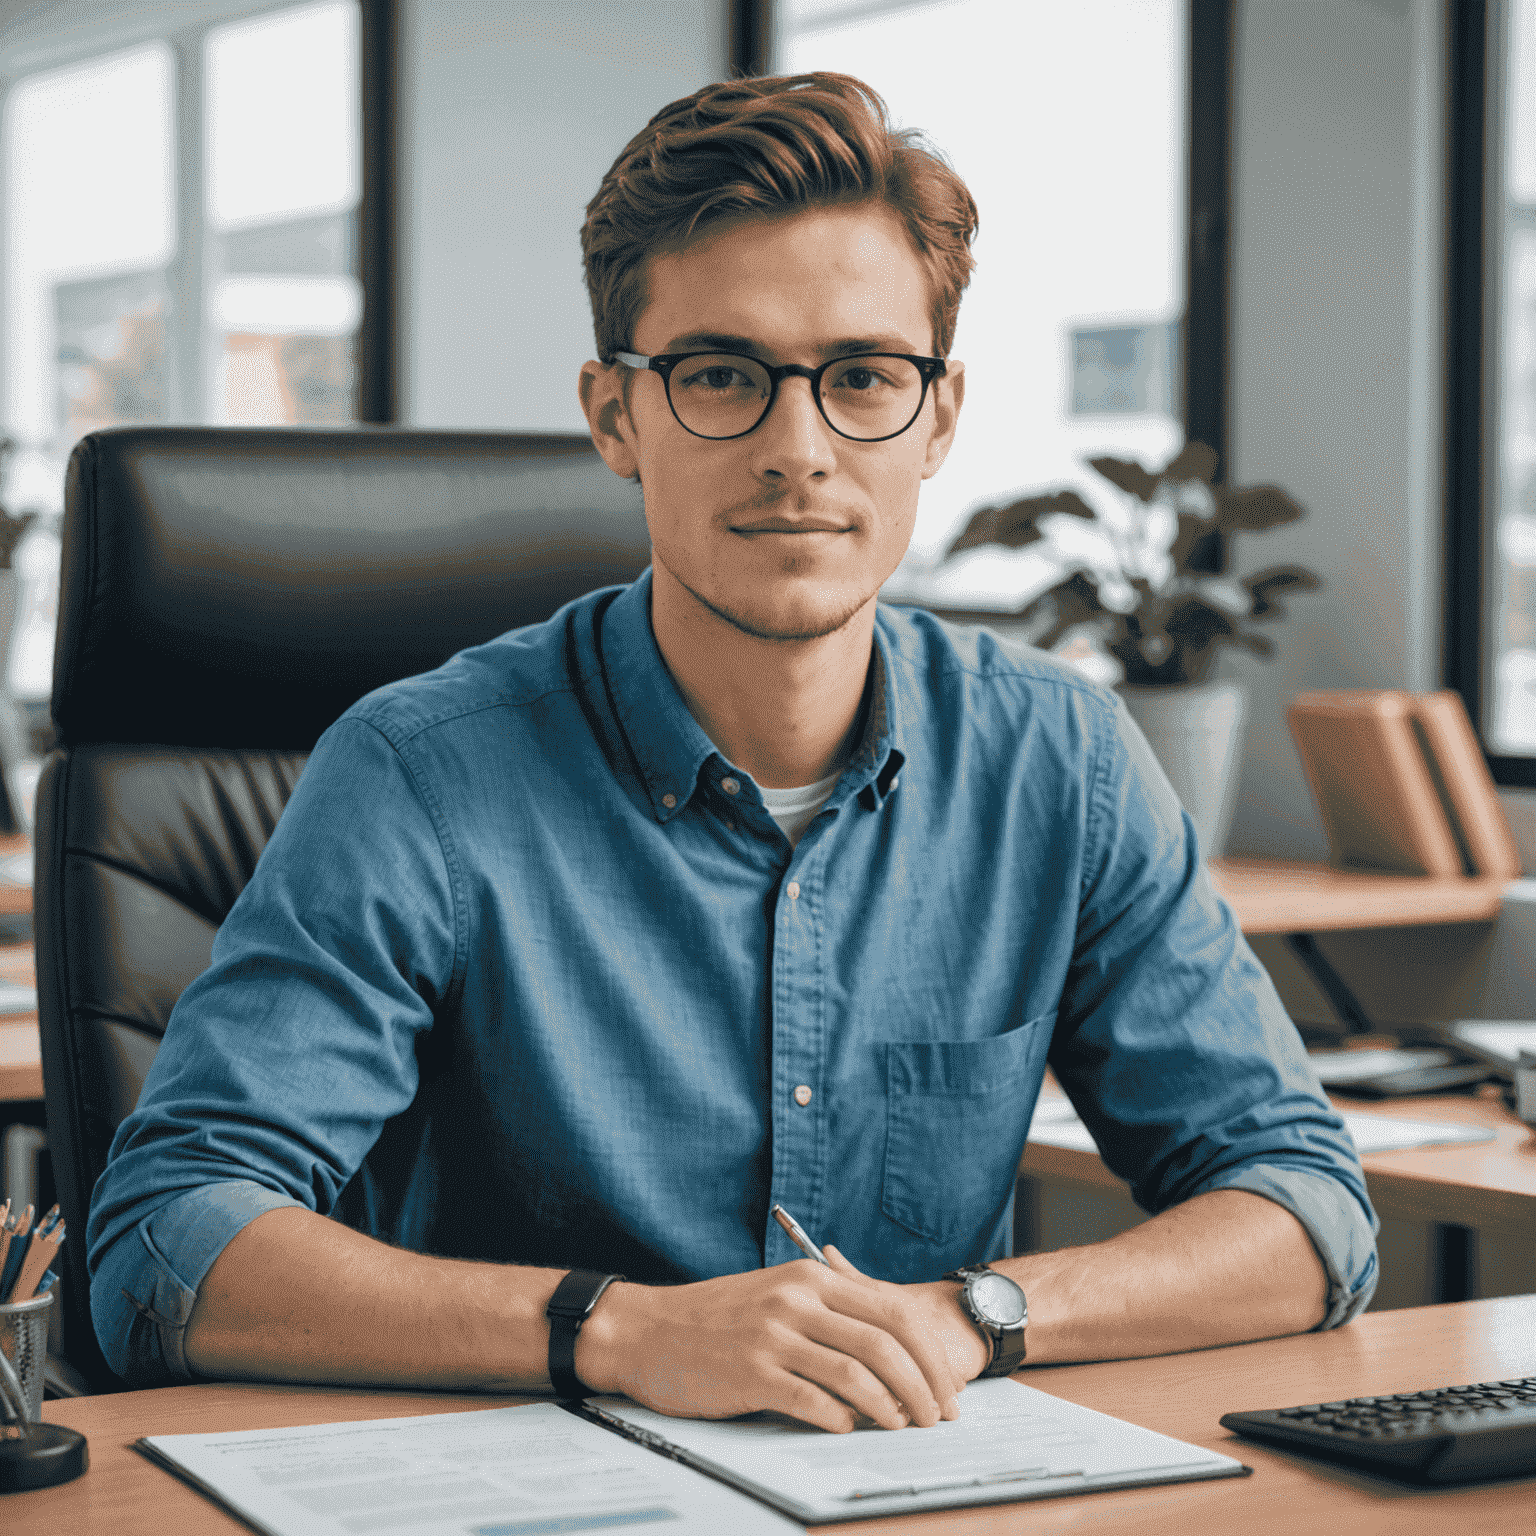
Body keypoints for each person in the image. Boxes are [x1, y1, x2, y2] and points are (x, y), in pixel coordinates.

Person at [88, 73, 1377, 1434]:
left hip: (905, 1489)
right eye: (720, 378)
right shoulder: (420, 774)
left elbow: (1302, 1204)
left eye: (865, 378)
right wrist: (624, 1333)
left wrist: (974, 1317)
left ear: (937, 420)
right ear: (614, 417)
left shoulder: (1065, 760)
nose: (797, 450)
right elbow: (166, 1242)